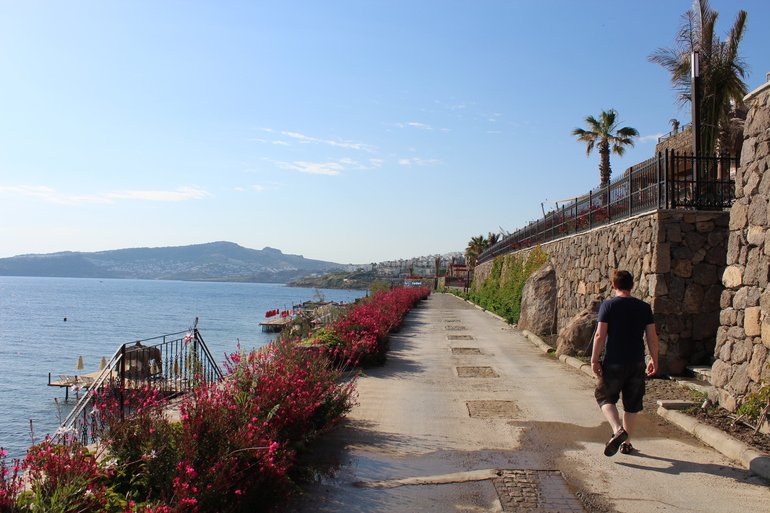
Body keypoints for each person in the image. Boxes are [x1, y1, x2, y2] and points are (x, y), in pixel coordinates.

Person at [591, 270, 659, 456]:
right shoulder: (644, 307)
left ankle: (617, 429)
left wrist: (594, 359)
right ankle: (627, 443)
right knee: (632, 403)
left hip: (614, 361)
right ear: (632, 285)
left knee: (604, 397)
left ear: (614, 285)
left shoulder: (608, 306)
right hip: (637, 362)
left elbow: (600, 334)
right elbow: (652, 338)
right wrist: (654, 359)